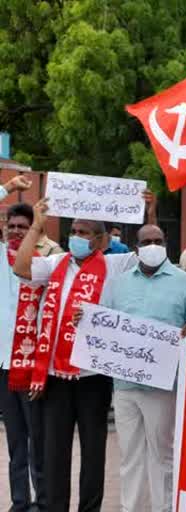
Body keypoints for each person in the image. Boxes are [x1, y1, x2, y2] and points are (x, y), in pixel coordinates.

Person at [13, 198, 139, 512]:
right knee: (54, 452)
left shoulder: (113, 265)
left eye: (84, 232)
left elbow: (146, 257)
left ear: (99, 240)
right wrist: (37, 226)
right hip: (54, 376)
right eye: (74, 230)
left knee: (94, 452)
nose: (77, 236)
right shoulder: (56, 262)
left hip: (92, 377)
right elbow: (21, 267)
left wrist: (147, 212)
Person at [98, 223, 186, 512]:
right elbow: (104, 321)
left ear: (166, 243)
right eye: (147, 241)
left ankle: (164, 508)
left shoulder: (182, 281)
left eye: (158, 240)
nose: (153, 245)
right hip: (124, 385)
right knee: (129, 455)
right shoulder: (119, 283)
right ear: (137, 247)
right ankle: (130, 508)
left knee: (162, 455)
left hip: (163, 384)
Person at [0, 176, 48, 512]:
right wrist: (7, 187)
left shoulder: (45, 265)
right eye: (11, 225)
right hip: (3, 366)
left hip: (35, 367)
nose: (16, 231)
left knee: (40, 443)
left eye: (23, 226)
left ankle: (43, 502)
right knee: (16, 442)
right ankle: (20, 503)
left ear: (34, 230)